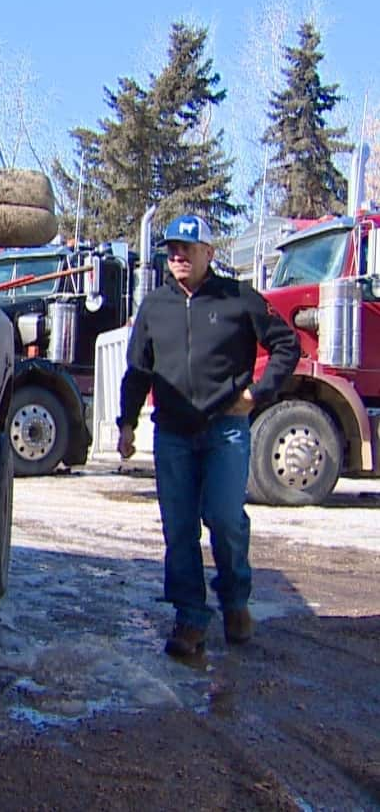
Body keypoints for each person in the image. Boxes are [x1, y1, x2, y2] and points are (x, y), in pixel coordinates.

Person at [117, 214, 299, 658]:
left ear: (209, 254)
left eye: (187, 249)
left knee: (223, 517)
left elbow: (286, 345)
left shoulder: (238, 298)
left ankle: (235, 599)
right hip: (173, 434)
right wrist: (127, 422)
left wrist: (257, 394)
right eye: (173, 250)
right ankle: (190, 619)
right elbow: (138, 370)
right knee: (179, 530)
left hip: (225, 430)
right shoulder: (154, 306)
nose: (178, 256)